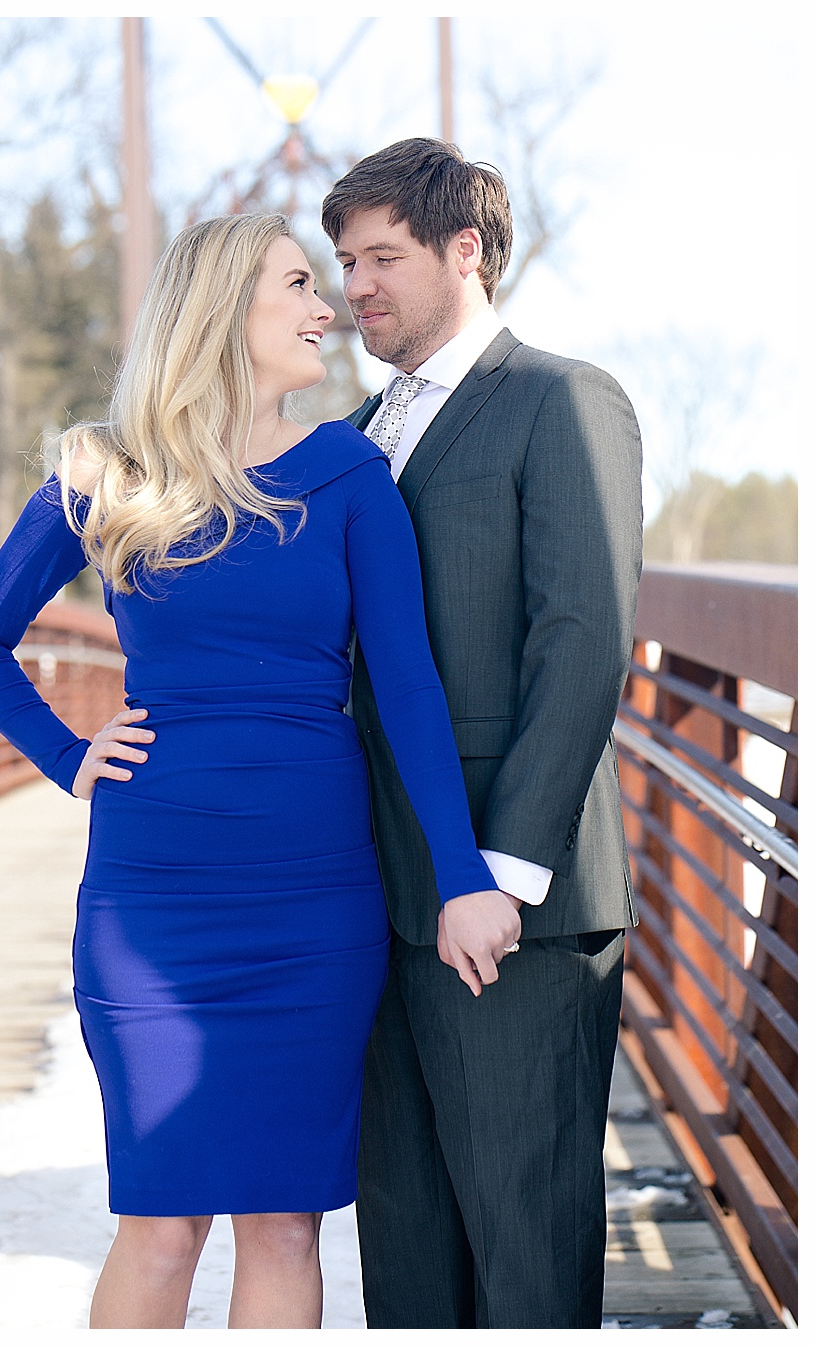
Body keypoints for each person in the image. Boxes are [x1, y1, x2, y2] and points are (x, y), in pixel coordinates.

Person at [0, 214, 510, 1329]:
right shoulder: (106, 470)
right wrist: (67, 756)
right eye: (301, 282)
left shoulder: (351, 473)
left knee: (284, 1220)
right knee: (159, 1224)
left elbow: (406, 691)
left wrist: (462, 874)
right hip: (152, 903)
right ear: (221, 311)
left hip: (313, 903)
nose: (329, 305)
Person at [321, 139, 642, 1328]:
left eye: (383, 256)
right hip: (377, 898)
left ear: (467, 250)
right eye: (345, 259)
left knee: (525, 1241)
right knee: (404, 1240)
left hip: (516, 907)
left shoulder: (561, 399)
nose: (356, 284)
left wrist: (499, 873)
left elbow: (583, 639)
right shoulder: (355, 435)